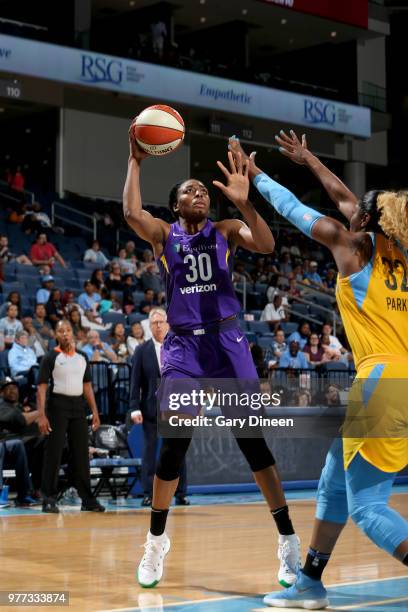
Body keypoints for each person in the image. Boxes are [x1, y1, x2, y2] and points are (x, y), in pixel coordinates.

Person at [230, 133, 408, 608]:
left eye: (357, 211)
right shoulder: (401, 258)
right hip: (402, 383)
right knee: (334, 475)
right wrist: (309, 159)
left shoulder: (349, 244)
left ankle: (311, 581)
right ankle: (310, 582)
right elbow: (349, 198)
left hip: (382, 382)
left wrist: (258, 176)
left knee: (369, 507)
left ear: (366, 221)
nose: (348, 210)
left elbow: (295, 210)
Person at [124, 126, 300, 589]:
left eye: (202, 189)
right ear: (176, 204)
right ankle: (156, 542)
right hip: (184, 347)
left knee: (253, 443)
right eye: (189, 190)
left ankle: (287, 541)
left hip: (227, 343)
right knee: (174, 442)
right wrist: (136, 161)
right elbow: (129, 212)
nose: (199, 192)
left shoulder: (224, 231)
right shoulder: (163, 235)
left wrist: (245, 202)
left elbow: (266, 245)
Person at [36, 320, 105, 513]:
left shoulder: (82, 357)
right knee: (54, 452)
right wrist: (42, 415)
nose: (65, 334)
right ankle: (48, 497)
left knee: (82, 453)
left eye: (67, 330)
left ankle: (87, 499)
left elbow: (87, 387)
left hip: (78, 407)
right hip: (57, 405)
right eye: (61, 331)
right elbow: (41, 389)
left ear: (73, 334)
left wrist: (95, 412)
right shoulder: (50, 357)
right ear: (56, 335)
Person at [128, 308, 188, 507]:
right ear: (150, 326)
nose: (158, 325)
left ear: (168, 324)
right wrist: (134, 408)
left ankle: (181, 493)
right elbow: (135, 382)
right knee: (150, 452)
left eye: (161, 321)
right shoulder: (142, 350)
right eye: (154, 323)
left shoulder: (179, 347)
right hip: (151, 409)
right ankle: (148, 492)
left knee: (178, 451)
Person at [0, 378, 40, 506]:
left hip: (22, 444)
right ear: (1, 393)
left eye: (15, 387)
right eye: (8, 388)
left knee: (46, 442)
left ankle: (34, 492)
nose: (13, 391)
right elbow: (20, 420)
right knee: (16, 444)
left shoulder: (22, 406)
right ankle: (15, 493)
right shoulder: (2, 406)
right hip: (5, 443)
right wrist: (40, 412)